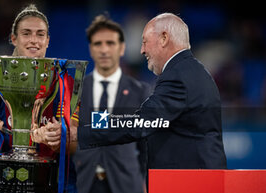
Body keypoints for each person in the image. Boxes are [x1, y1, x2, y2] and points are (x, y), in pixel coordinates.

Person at [77, 13, 227, 174]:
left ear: (164, 38)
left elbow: (141, 122)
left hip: (192, 185)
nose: (142, 50)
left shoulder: (178, 77)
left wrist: (84, 128)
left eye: (144, 42)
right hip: (196, 180)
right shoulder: (189, 70)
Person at [0, 4, 77, 193]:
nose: (34, 40)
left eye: (40, 34)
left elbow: (73, 146)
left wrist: (59, 136)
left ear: (48, 40)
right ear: (13, 38)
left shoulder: (64, 82)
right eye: (26, 33)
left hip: (54, 187)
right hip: (10, 185)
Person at [72, 15, 149, 193]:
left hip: (125, 188)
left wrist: (139, 176)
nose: (104, 49)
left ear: (122, 48)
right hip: (84, 187)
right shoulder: (75, 90)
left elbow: (145, 146)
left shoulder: (140, 91)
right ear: (90, 49)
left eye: (110, 43)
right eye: (98, 43)